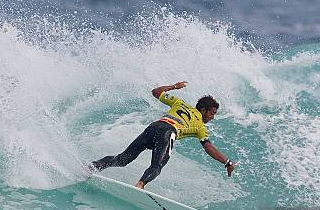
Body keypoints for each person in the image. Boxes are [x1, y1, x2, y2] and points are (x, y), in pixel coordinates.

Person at [90, 81, 235, 189]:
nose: (212, 117)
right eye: (212, 113)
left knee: (122, 159)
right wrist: (227, 162)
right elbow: (208, 147)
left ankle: (93, 166)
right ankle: (140, 185)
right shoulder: (200, 126)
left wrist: (173, 87)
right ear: (203, 110)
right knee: (156, 166)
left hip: (153, 127)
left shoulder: (180, 103)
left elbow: (156, 92)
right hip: (167, 133)